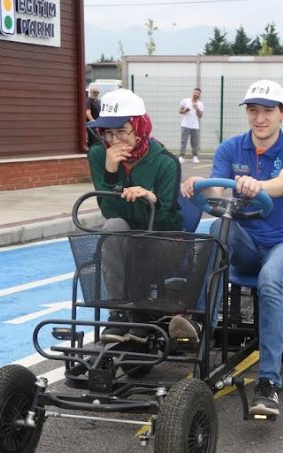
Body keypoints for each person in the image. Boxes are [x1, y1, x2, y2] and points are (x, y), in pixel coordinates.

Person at [182, 79, 283, 417]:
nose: (260, 118)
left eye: (268, 110)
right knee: (215, 227)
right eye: (253, 110)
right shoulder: (229, 149)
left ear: (282, 114)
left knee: (270, 280)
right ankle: (197, 322)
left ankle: (268, 382)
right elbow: (218, 196)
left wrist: (259, 186)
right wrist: (198, 186)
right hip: (245, 242)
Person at [87, 88, 185, 343]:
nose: (115, 140)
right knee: (114, 226)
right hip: (125, 240)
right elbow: (109, 210)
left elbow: (168, 220)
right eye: (108, 133)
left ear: (140, 127)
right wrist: (110, 173)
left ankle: (142, 314)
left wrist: (151, 199)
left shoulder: (165, 162)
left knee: (139, 244)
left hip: (164, 241)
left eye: (121, 131)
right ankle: (119, 313)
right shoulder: (99, 155)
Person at [179, 88, 204, 164]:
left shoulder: (200, 104)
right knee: (184, 141)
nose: (196, 94)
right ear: (193, 93)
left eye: (198, 93)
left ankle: (195, 157)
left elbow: (200, 116)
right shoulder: (185, 101)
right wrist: (185, 111)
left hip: (195, 126)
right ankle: (181, 157)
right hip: (185, 124)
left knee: (194, 142)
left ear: (199, 95)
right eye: (195, 92)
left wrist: (196, 108)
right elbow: (180, 111)